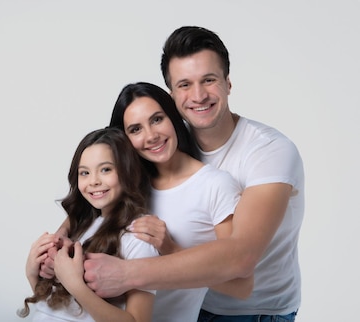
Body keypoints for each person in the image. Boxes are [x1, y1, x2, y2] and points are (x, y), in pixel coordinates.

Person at [80, 26, 305, 321]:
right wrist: (56, 245)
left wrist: (129, 273)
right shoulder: (163, 145)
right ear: (172, 95)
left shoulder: (270, 152)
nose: (198, 95)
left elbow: (241, 258)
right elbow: (98, 184)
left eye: (209, 80)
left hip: (254, 312)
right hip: (186, 306)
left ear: (228, 83)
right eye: (185, 85)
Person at [108, 82, 253, 321]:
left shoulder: (215, 186)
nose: (151, 136)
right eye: (135, 129)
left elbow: (241, 285)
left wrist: (171, 249)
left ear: (173, 117)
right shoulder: (128, 186)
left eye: (157, 119)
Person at [18, 127, 160, 322]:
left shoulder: (138, 237)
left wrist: (75, 284)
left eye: (105, 169)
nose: (93, 181)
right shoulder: (81, 225)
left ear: (128, 170)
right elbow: (57, 308)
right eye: (84, 173)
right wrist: (32, 274)